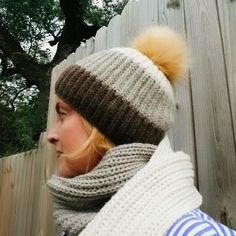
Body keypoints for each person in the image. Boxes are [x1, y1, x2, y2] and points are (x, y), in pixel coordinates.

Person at [47, 26, 236, 236]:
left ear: (110, 125)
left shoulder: (192, 232)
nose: (51, 135)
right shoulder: (77, 222)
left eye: (62, 114)